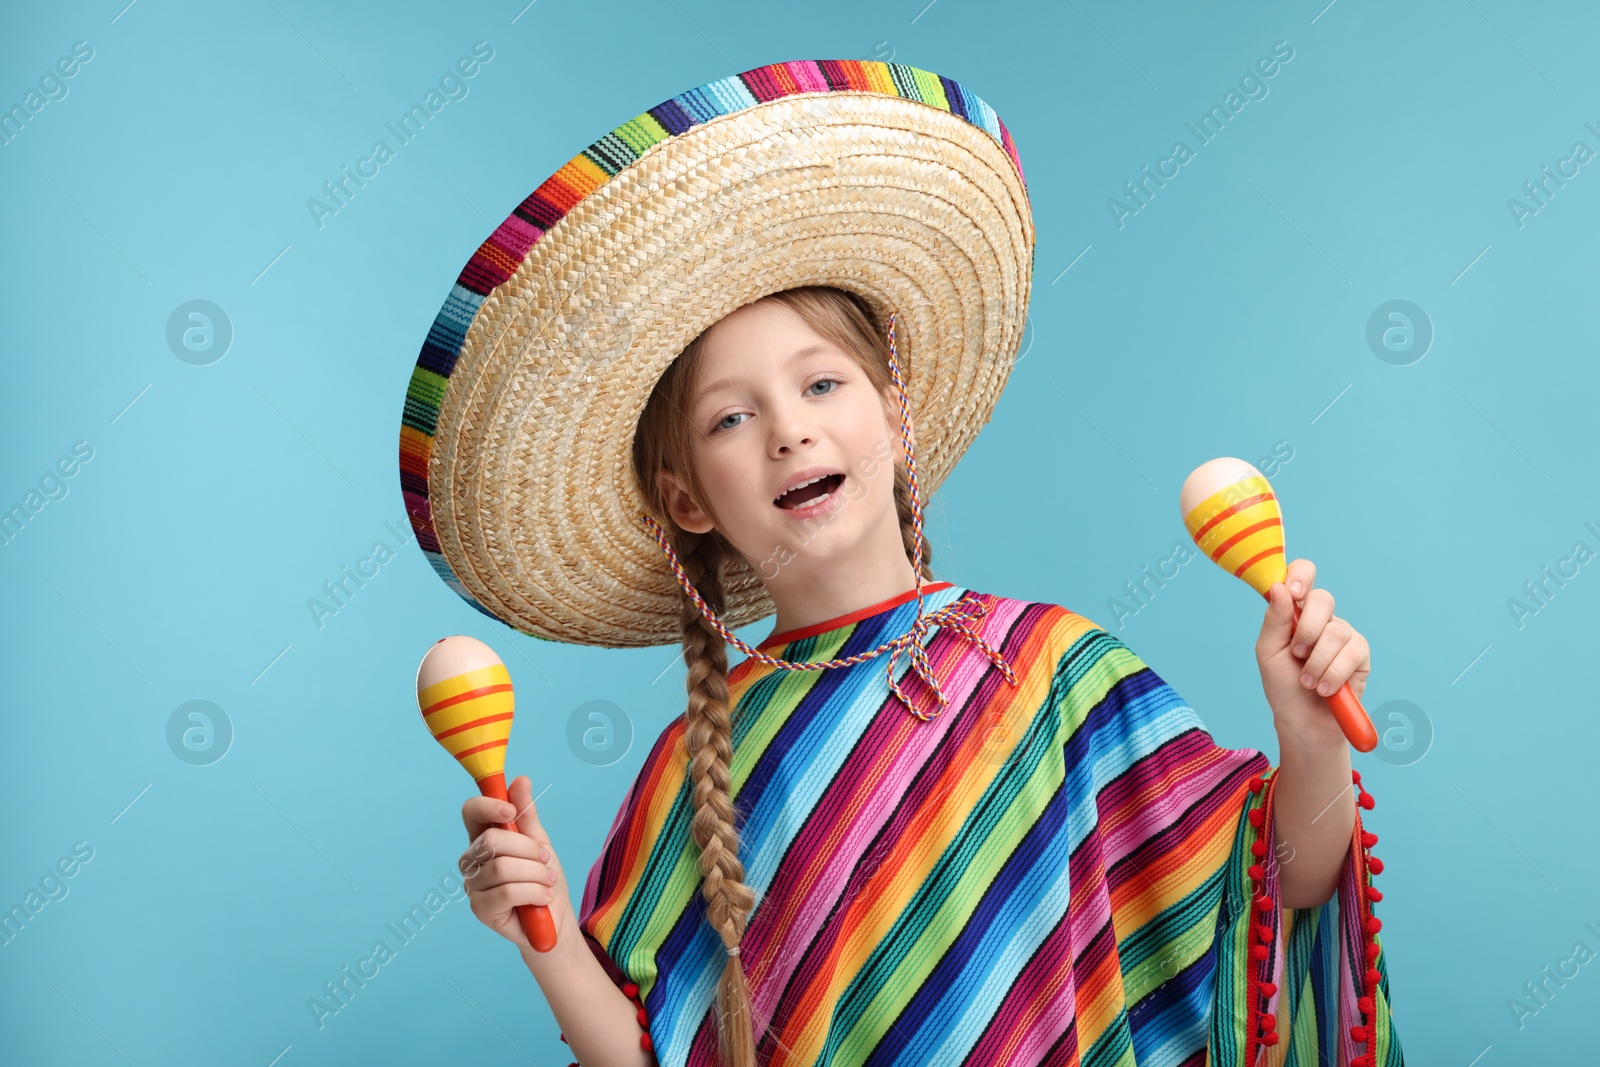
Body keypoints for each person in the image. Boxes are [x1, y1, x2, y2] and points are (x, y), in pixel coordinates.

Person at [401, 61, 1401, 1067]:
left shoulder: (1055, 669)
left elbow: (1281, 899)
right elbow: (642, 1053)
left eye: (822, 382)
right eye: (731, 417)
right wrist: (543, 931)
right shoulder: (688, 772)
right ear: (686, 499)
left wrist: (1310, 734)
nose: (788, 432)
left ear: (893, 410)